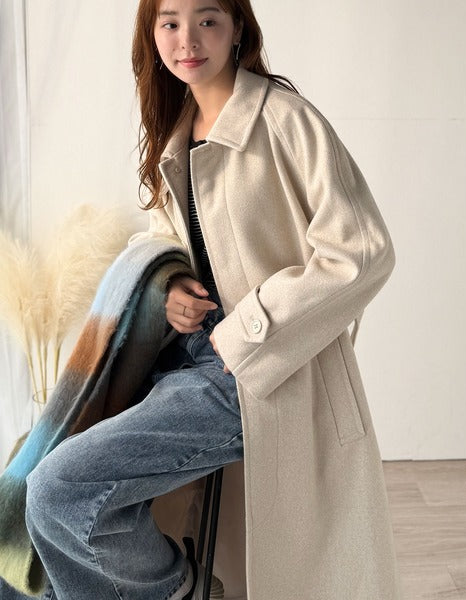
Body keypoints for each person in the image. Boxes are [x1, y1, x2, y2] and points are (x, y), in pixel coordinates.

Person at [0, 0, 403, 598]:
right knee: (42, 480)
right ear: (152, 34)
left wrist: (248, 334)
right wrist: (169, 288)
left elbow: (362, 251)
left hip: (258, 373)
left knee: (61, 488)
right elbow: (175, 236)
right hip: (184, 356)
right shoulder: (178, 127)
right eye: (170, 23)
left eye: (207, 20)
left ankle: (176, 588)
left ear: (238, 27)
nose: (187, 39)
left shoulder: (284, 120)